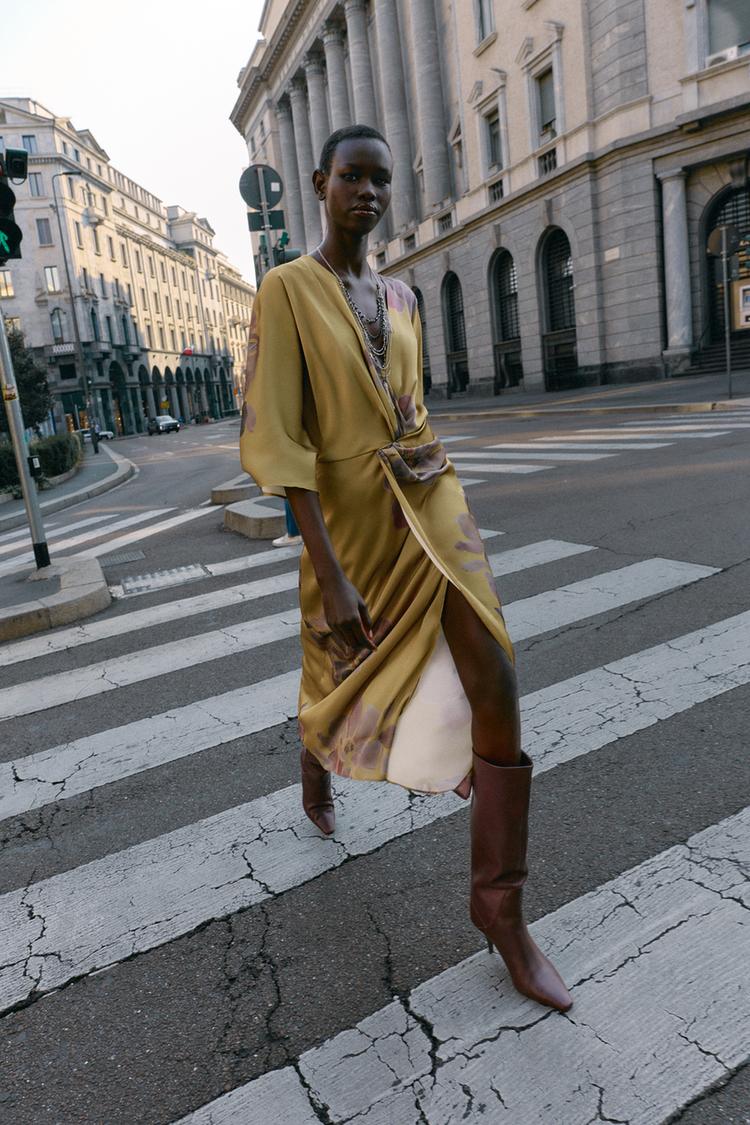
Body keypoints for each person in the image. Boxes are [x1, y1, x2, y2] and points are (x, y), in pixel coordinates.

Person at [239, 125, 572, 1013]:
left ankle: (499, 909)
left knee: (497, 672)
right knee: (341, 663)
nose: (369, 192)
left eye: (382, 178)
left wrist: (437, 481)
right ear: (320, 183)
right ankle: (316, 746)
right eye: (353, 176)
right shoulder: (287, 290)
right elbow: (283, 439)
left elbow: (411, 407)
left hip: (428, 499)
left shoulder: (402, 295)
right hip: (349, 520)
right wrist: (330, 569)